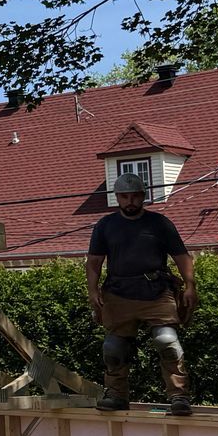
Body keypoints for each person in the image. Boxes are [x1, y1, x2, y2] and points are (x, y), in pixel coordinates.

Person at [85, 172, 194, 416]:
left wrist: (190, 285)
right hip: (118, 293)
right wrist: (92, 291)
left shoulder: (159, 223)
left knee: (167, 341)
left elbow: (182, 256)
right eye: (125, 196)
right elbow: (93, 262)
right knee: (113, 348)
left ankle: (179, 396)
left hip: (157, 290)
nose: (130, 201)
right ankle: (116, 395)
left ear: (143, 196)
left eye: (135, 196)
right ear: (117, 198)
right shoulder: (105, 225)